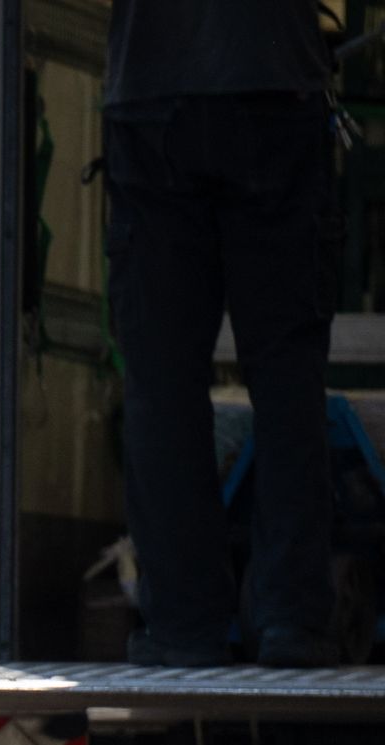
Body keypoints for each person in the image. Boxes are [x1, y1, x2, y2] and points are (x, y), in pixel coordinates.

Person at [104, 1, 339, 667]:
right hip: (273, 86)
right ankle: (290, 616)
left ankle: (182, 623)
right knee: (286, 373)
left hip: (150, 95)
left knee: (163, 381)